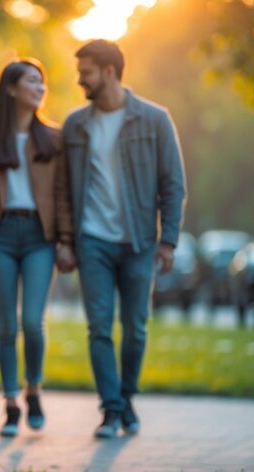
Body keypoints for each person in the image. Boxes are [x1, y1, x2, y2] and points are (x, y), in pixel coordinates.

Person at [62, 40, 186, 438]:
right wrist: (67, 239)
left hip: (139, 241)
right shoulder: (75, 124)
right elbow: (64, 189)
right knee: (99, 328)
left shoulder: (154, 120)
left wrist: (168, 240)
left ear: (109, 72)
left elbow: (173, 185)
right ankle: (111, 410)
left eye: (86, 72)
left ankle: (127, 398)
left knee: (136, 327)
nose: (80, 79)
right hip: (92, 240)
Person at [0, 59, 75, 438]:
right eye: (31, 81)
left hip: (41, 237)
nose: (40, 87)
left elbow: (63, 195)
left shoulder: (54, 139)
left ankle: (34, 390)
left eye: (42, 82)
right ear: (11, 88)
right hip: (0, 238)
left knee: (32, 322)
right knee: (7, 325)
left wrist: (65, 241)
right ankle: (11, 403)